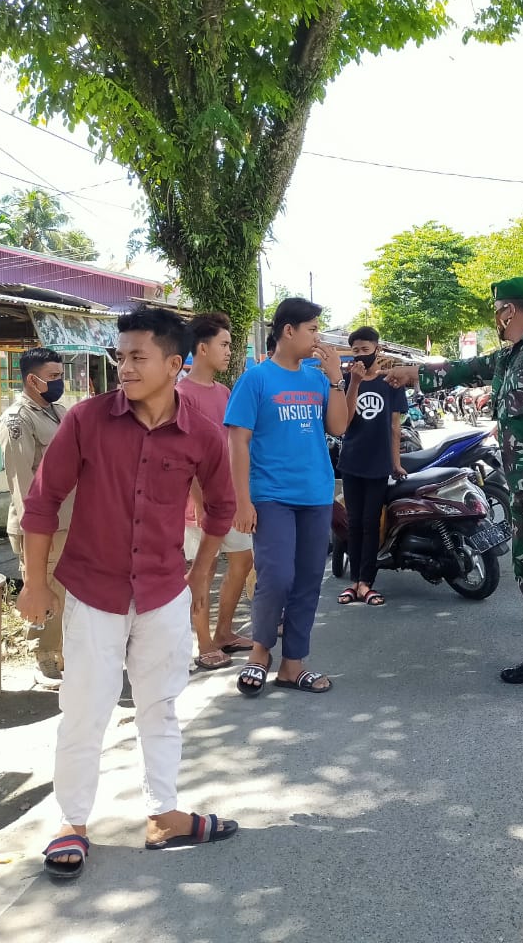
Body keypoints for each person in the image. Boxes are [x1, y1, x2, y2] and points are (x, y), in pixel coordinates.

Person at [18, 306, 240, 881]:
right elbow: (42, 501)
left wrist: (200, 575)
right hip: (93, 589)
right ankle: (72, 823)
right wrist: (35, 582)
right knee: (83, 710)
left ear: (174, 364)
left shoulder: (202, 433)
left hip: (164, 592)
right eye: (120, 357)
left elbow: (221, 508)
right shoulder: (86, 420)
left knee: (160, 706)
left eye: (138, 357)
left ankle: (164, 814)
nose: (125, 368)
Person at [385, 277, 523, 698]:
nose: (495, 318)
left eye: (497, 310)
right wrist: (410, 373)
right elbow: (463, 370)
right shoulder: (512, 355)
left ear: (508, 310)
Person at [226, 297, 350, 697]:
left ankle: (293, 665)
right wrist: (243, 501)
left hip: (315, 493)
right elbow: (238, 442)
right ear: (288, 330)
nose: (317, 337)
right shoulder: (256, 379)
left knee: (309, 580)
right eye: (312, 329)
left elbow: (339, 427)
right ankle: (260, 652)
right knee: (276, 576)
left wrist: (336, 379)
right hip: (271, 496)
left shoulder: (317, 379)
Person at [178, 312, 256, 671]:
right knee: (203, 570)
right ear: (202, 348)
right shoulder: (181, 394)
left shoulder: (224, 392)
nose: (228, 351)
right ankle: (204, 641)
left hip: (229, 499)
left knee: (242, 560)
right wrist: (199, 502)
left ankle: (224, 632)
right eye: (223, 344)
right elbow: (186, 455)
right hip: (197, 503)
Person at [0, 346, 70, 687]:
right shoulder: (17, 420)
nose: (59, 382)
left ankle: (65, 653)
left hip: (68, 520)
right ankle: (44, 658)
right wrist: (36, 531)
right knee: (42, 588)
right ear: (32, 380)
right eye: (53, 376)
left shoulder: (59, 412)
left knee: (65, 591)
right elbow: (21, 483)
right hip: (41, 526)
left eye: (60, 375)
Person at [337, 326, 407, 607]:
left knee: (371, 523)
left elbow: (395, 427)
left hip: (378, 464)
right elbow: (344, 422)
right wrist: (354, 383)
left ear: (377, 350)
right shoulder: (345, 381)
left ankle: (367, 582)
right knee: (353, 523)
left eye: (365, 349)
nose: (360, 355)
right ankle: (354, 582)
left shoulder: (390, 382)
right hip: (351, 462)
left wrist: (396, 463)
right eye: (355, 350)